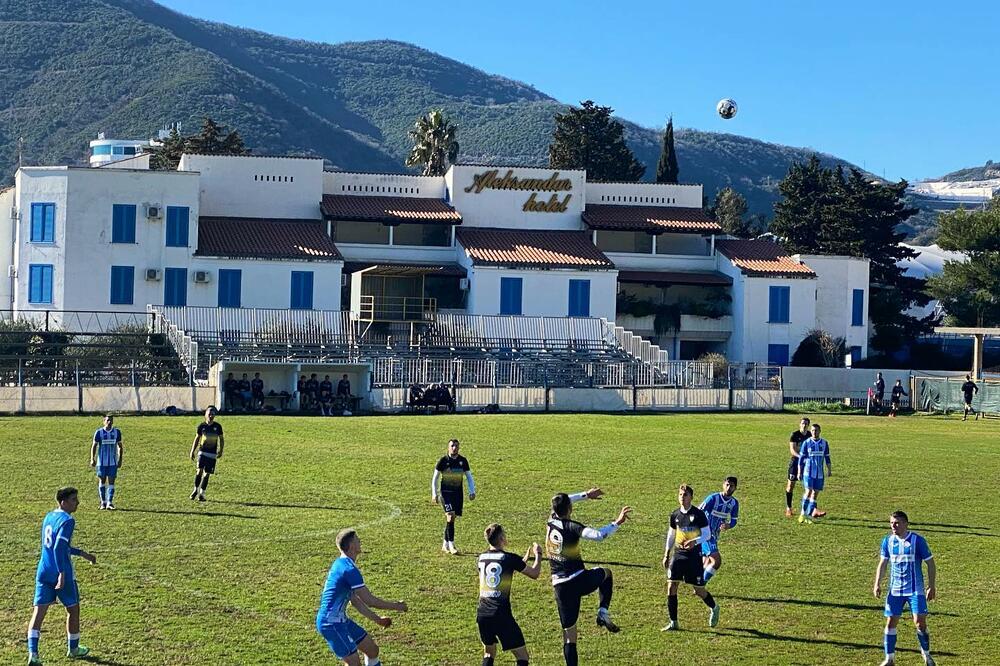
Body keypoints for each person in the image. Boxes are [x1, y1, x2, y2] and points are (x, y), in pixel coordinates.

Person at [546, 488, 630, 666]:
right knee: (606, 574)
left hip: (559, 586)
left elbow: (561, 501)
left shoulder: (551, 521)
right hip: (578, 579)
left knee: (569, 636)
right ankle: (603, 611)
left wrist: (585, 495)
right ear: (570, 509)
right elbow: (599, 536)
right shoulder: (572, 527)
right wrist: (617, 522)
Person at [27, 487, 98, 665]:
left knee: (38, 614)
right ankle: (73, 648)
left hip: (44, 570)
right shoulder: (68, 521)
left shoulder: (49, 516)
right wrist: (62, 574)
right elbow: (59, 548)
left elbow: (53, 546)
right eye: (74, 499)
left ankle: (33, 655)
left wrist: (83, 554)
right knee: (73, 609)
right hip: (61, 572)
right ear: (63, 502)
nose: (78, 503)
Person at [316, 529, 407, 666]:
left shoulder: (342, 564)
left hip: (341, 620)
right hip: (331, 624)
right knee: (353, 664)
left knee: (372, 650)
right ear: (352, 545)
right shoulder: (349, 570)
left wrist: (378, 620)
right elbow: (369, 600)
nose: (360, 542)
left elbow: (356, 602)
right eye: (357, 539)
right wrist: (396, 606)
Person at [873, 510, 937, 666]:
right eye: (891, 523)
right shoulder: (887, 541)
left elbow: (930, 563)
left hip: (916, 590)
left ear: (906, 524)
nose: (894, 526)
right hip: (895, 590)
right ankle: (889, 659)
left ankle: (927, 655)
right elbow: (883, 564)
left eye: (897, 523)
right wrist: (877, 583)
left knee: (920, 623)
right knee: (890, 623)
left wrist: (932, 586)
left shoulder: (917, 541)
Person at [477, 524, 542, 666]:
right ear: (501, 538)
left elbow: (498, 574)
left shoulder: (481, 557)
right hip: (501, 613)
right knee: (522, 657)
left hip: (482, 614)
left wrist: (521, 562)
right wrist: (538, 555)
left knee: (489, 652)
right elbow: (535, 573)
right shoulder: (509, 558)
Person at [662, 484, 719, 631]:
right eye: (680, 494)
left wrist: (695, 541)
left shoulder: (699, 514)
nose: (682, 497)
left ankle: (714, 607)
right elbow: (671, 534)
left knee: (699, 590)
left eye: (685, 495)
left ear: (691, 497)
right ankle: (674, 622)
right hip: (678, 554)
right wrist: (666, 553)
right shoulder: (675, 515)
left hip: (694, 557)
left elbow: (707, 534)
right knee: (671, 586)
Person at [432, 439, 476, 554]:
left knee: (451, 520)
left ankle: (445, 543)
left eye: (456, 446)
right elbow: (435, 478)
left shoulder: (463, 461)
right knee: (450, 516)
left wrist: (472, 491)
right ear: (448, 447)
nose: (454, 448)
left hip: (458, 494)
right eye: (452, 446)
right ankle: (452, 545)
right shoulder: (443, 461)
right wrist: (434, 493)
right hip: (446, 494)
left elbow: (469, 477)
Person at [698, 477, 739, 584]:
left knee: (706, 561)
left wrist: (728, 525)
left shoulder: (734, 503)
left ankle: (696, 583)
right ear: (723, 485)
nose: (729, 488)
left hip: (715, 535)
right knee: (716, 561)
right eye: (727, 485)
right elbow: (698, 511)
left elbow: (734, 521)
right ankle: (701, 584)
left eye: (732, 486)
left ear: (735, 488)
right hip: (705, 533)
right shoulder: (713, 498)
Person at [785, 417, 825, 518]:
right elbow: (792, 450)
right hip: (795, 463)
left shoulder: (809, 435)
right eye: (802, 423)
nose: (804, 425)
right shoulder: (794, 435)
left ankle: (812, 510)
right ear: (800, 424)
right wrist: (802, 457)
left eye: (806, 424)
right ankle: (789, 508)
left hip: (808, 465)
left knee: (811, 488)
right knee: (790, 486)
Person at [797, 423, 832, 524]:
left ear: (820, 431)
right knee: (808, 491)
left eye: (816, 430)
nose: (814, 432)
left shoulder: (824, 443)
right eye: (812, 430)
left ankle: (807, 515)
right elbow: (801, 459)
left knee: (815, 494)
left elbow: (827, 457)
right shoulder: (807, 443)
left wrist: (829, 470)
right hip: (808, 472)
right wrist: (799, 472)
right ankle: (802, 514)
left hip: (819, 474)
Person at [189, 406, 224, 502]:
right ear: (205, 415)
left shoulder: (218, 427)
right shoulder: (201, 426)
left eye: (213, 414)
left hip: (212, 454)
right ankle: (195, 490)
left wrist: (221, 450)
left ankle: (202, 493)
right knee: (199, 470)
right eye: (209, 414)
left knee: (207, 474)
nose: (211, 416)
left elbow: (221, 439)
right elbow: (197, 439)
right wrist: (192, 451)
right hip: (202, 452)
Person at [89, 415, 123, 510]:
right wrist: (92, 459)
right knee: (102, 481)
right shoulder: (99, 433)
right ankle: (103, 502)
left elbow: (120, 446)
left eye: (111, 420)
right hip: (101, 463)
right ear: (104, 421)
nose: (110, 422)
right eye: (108, 420)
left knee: (111, 482)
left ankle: (110, 503)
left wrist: (120, 460)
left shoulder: (117, 432)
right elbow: (94, 446)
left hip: (112, 462)